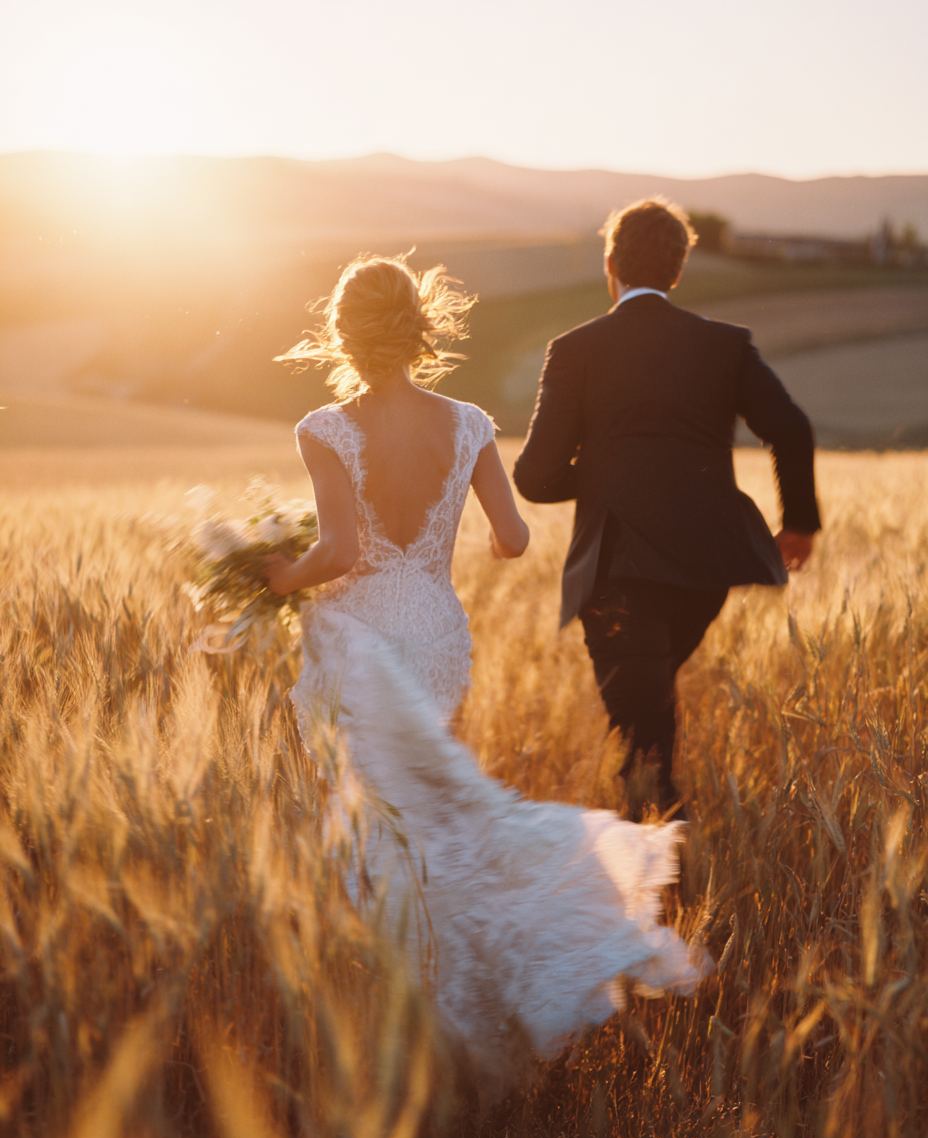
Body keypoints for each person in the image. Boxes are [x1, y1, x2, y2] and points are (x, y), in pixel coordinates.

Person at [264, 254, 707, 1090]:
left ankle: (390, 996)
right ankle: (455, 981)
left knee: (363, 817)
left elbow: (342, 551)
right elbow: (512, 540)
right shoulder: (468, 422)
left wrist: (274, 575)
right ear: (418, 328)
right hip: (435, 631)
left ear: (343, 335)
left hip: (356, 633)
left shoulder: (323, 428)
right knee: (434, 817)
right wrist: (441, 541)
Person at [513, 199, 821, 820]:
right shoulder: (725, 346)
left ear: (610, 264)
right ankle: (654, 868)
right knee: (646, 727)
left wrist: (608, 474)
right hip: (704, 571)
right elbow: (790, 429)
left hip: (619, 573)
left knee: (647, 753)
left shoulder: (575, 350)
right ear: (678, 270)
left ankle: (657, 882)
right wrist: (799, 523)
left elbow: (535, 476)